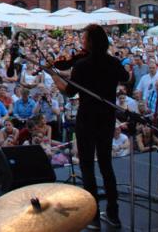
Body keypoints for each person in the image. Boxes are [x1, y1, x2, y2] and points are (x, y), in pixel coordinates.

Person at [56, 24, 128, 229]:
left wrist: (54, 76)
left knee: (87, 167)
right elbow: (126, 77)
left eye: (84, 39)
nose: (81, 42)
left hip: (87, 119)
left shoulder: (82, 65)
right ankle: (113, 214)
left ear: (90, 42)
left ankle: (94, 216)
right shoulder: (112, 63)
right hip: (106, 118)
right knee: (106, 165)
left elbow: (68, 92)